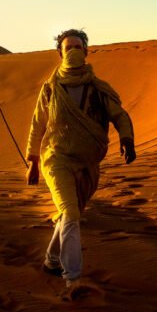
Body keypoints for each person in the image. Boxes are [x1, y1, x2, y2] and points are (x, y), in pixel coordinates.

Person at [25, 29, 136, 296]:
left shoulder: (98, 88)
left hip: (87, 164)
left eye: (78, 46)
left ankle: (51, 261)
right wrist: (33, 161)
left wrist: (127, 139)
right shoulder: (51, 88)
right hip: (57, 159)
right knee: (71, 214)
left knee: (68, 213)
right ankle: (72, 279)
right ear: (60, 52)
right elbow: (38, 124)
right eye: (68, 46)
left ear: (86, 51)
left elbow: (119, 115)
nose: (73, 50)